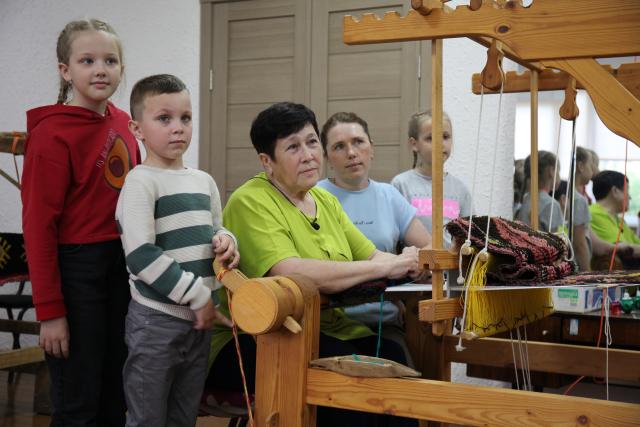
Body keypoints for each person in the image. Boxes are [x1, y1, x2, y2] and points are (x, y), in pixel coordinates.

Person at [208, 102, 419, 426]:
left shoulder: (324, 200)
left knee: (394, 363)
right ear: (267, 161)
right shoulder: (250, 200)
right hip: (261, 337)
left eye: (311, 142)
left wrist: (409, 262)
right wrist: (385, 268)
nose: (308, 155)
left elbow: (373, 255)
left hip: (324, 329)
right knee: (347, 388)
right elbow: (292, 274)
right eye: (293, 147)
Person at [21, 19, 140, 425]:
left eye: (110, 60)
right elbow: (38, 229)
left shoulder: (125, 123)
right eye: (87, 61)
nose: (100, 69)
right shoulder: (51, 135)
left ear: (122, 69)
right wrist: (50, 312)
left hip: (122, 266)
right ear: (65, 70)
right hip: (76, 273)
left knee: (115, 394)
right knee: (79, 398)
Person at [115, 74, 238, 426]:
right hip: (156, 321)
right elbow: (141, 256)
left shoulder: (203, 181)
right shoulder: (140, 182)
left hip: (199, 323)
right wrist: (198, 296)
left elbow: (215, 228)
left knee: (184, 416)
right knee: (148, 418)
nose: (178, 128)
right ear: (137, 129)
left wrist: (227, 241)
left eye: (185, 118)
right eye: (164, 118)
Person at [317, 111, 431, 357]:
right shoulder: (313, 197)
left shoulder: (389, 195)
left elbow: (431, 249)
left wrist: (418, 262)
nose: (351, 153)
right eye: (339, 146)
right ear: (326, 157)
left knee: (402, 368)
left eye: (358, 142)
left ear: (372, 148)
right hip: (328, 324)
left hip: (385, 323)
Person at [391, 110, 471, 247]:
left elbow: (469, 236)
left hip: (451, 260)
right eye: (430, 138)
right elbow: (393, 235)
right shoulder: (401, 185)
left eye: (445, 136)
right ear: (414, 144)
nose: (440, 143)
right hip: (414, 260)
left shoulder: (460, 190)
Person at [590, 170, 640, 252]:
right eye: (627, 190)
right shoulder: (594, 214)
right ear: (615, 191)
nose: (629, 197)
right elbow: (624, 251)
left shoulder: (618, 220)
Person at [516, 151, 564, 233]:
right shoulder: (551, 204)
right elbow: (553, 240)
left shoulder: (526, 198)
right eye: (558, 171)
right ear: (551, 171)